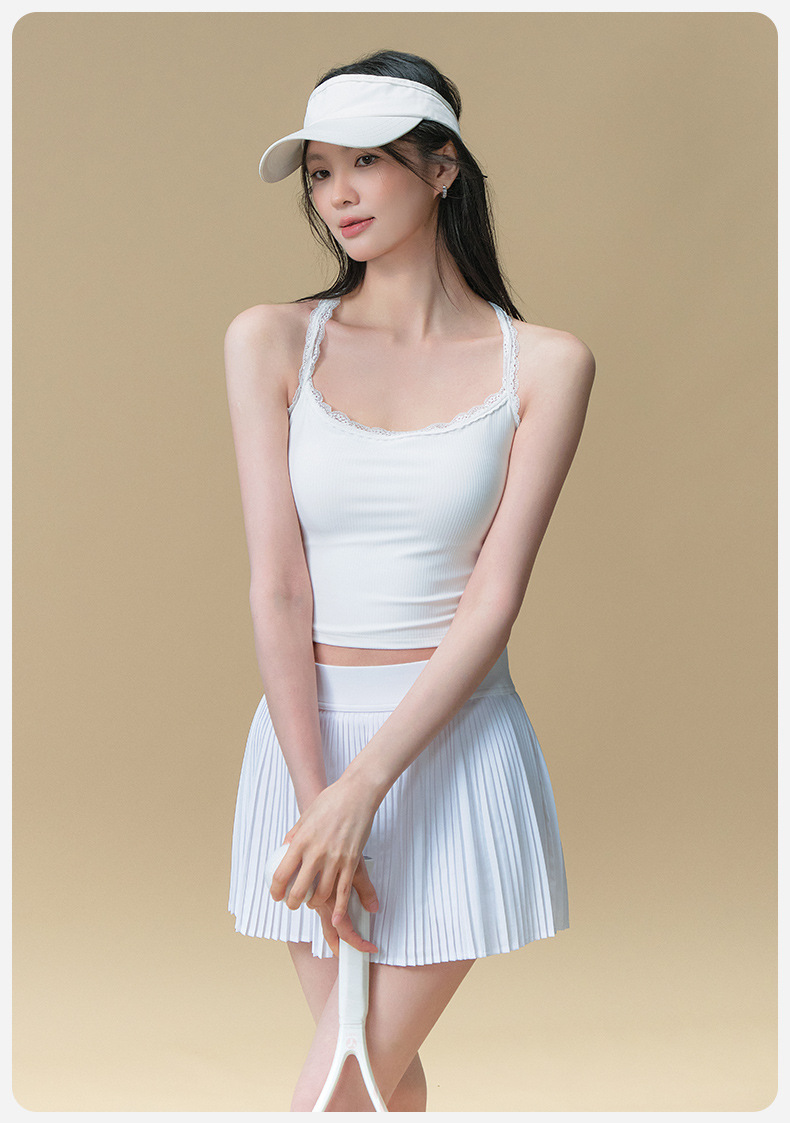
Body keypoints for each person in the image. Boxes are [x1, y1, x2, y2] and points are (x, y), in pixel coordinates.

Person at [225, 49, 595, 1112]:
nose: (337, 194)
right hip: (305, 745)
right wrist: (319, 800)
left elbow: (494, 598)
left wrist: (365, 791)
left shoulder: (546, 364)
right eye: (319, 172)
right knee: (381, 1079)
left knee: (342, 1086)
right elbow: (278, 585)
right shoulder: (270, 340)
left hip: (451, 750)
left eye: (367, 163)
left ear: (441, 168)